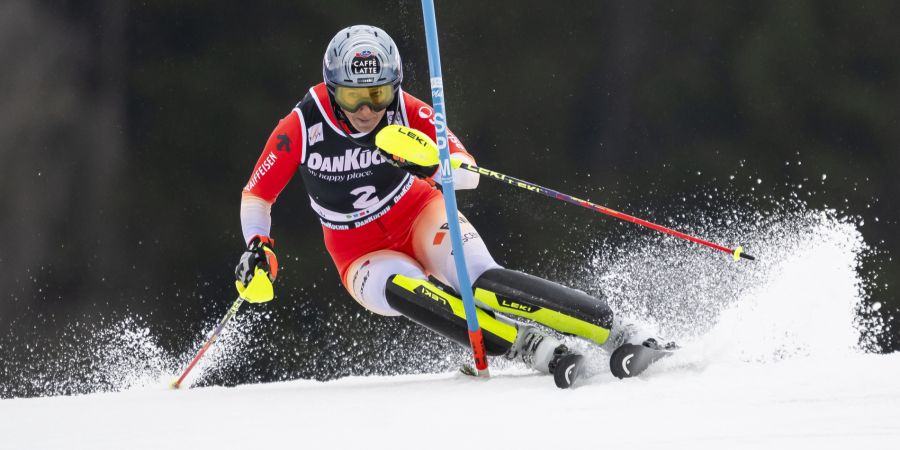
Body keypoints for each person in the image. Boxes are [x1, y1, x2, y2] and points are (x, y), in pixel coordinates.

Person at [235, 25, 655, 388]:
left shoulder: (407, 110)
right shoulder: (302, 125)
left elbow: (469, 171)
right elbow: (257, 194)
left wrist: (434, 164)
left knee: (482, 283)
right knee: (412, 293)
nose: (366, 110)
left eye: (377, 95)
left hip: (419, 213)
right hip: (358, 251)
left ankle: (620, 333)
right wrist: (258, 245)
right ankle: (530, 346)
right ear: (331, 90)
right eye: (352, 96)